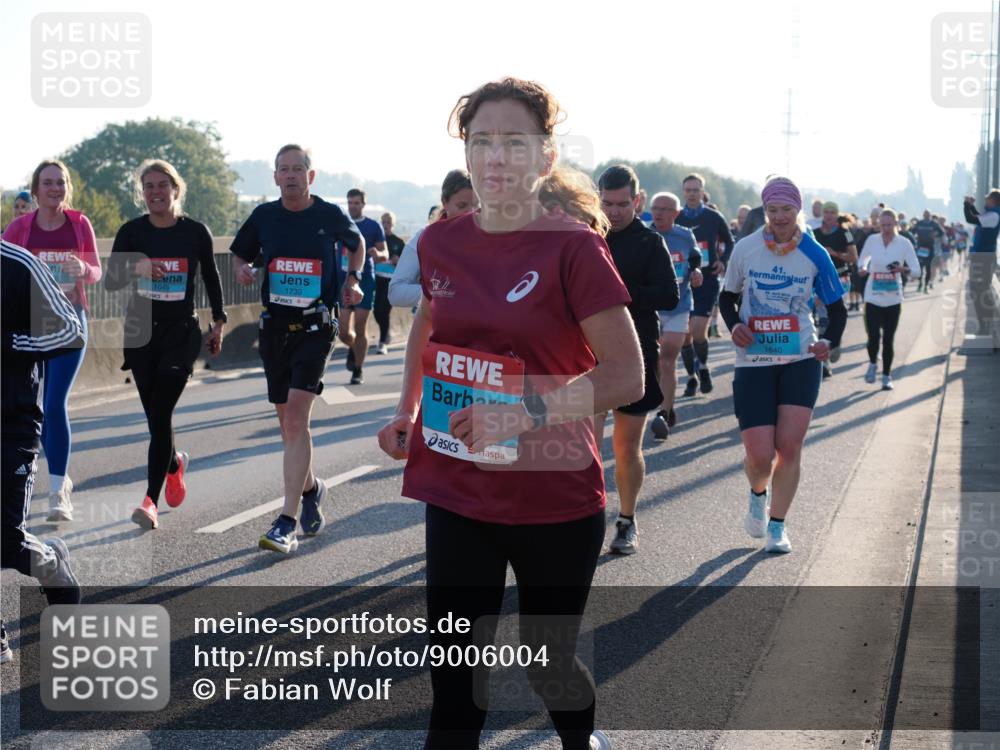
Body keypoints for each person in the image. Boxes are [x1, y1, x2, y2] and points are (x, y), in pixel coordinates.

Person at [376, 77, 637, 750]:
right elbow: (429, 330)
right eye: (481, 141)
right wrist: (407, 408)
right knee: (455, 690)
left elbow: (625, 374)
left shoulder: (574, 247)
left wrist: (520, 414)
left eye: (513, 143)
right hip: (458, 487)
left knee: (549, 667)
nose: (496, 158)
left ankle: (583, 740)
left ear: (544, 157)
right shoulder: (440, 242)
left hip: (554, 492)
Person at [231, 144, 365, 554]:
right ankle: (311, 488)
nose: (290, 175)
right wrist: (242, 268)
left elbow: (356, 243)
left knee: (295, 422)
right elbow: (240, 253)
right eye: (283, 170)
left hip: (315, 326)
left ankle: (286, 520)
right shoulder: (264, 216)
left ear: (311, 175)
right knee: (288, 425)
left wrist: (353, 279)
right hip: (274, 329)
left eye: (298, 169)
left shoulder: (327, 215)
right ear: (274, 177)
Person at [719, 176, 847, 554]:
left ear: (798, 210)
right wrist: (735, 325)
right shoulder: (746, 248)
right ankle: (758, 493)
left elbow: (836, 309)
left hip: (799, 359)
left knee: (789, 446)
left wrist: (828, 342)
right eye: (772, 210)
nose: (779, 217)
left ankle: (777, 525)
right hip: (754, 360)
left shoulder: (814, 252)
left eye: (787, 210)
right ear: (764, 210)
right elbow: (728, 298)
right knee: (760, 454)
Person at [105, 160, 227, 529]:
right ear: (142, 193)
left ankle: (149, 501)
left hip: (180, 333)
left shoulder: (195, 232)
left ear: (176, 189)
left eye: (162, 185)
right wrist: (136, 267)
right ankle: (173, 464)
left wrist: (218, 322)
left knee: (160, 416)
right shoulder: (132, 232)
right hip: (141, 333)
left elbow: (211, 275)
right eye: (148, 187)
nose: (155, 192)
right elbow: (110, 281)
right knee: (155, 418)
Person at [2, 160, 102, 523]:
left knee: (53, 400)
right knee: (32, 404)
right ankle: (23, 482)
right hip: (29, 327)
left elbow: (96, 271)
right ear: (37, 188)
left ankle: (58, 490)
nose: (55, 188)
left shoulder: (79, 224)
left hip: (70, 323)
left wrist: (83, 270)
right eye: (48, 183)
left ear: (67, 187)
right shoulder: (19, 228)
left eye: (60, 182)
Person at [2, 239, 85, 663]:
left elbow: (72, 331)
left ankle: (52, 564)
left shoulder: (18, 264)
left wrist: (11, 342)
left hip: (11, 422)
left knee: (5, 540)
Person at [597, 165, 679, 555]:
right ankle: (582, 520)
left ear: (637, 200)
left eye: (622, 204)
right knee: (583, 447)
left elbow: (669, 295)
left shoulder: (649, 242)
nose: (614, 212)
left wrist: (619, 295)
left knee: (626, 447)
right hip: (587, 355)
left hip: (636, 352)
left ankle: (627, 521)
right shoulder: (586, 236)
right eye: (607, 203)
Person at [648, 192, 702, 442]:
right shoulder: (645, 236)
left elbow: (694, 260)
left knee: (667, 358)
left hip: (679, 306)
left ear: (676, 213)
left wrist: (696, 273)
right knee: (656, 362)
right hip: (651, 309)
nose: (659, 213)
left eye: (665, 209)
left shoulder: (684, 235)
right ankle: (662, 403)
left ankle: (665, 412)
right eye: (655, 208)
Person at [674, 173, 733, 396]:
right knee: (685, 335)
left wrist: (723, 261)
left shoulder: (713, 216)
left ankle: (704, 367)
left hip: (707, 279)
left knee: (699, 331)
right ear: (683, 192)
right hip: (682, 282)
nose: (691, 193)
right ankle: (691, 377)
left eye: (695, 190)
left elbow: (729, 241)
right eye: (688, 190)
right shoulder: (676, 217)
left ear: (702, 192)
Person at [387, 169, 478, 309]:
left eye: (476, 206)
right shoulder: (423, 237)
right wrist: (446, 293)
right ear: (445, 202)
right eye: (462, 206)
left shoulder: (493, 237)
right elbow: (396, 293)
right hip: (437, 326)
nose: (470, 212)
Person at [857, 208, 922, 390]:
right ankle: (872, 364)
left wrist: (903, 270)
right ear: (878, 224)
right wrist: (862, 268)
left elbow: (917, 271)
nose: (885, 229)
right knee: (873, 337)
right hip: (873, 297)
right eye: (882, 225)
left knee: (888, 339)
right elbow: (862, 260)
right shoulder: (872, 240)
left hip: (893, 299)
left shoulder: (904, 243)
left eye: (889, 225)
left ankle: (886, 375)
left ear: (896, 224)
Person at [339, 189, 389, 385]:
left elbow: (384, 253)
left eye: (356, 203)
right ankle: (354, 349)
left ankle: (358, 369)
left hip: (364, 280)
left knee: (360, 327)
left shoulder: (372, 226)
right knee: (343, 331)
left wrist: (378, 254)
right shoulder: (340, 223)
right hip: (342, 281)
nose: (352, 206)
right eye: (350, 202)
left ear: (363, 204)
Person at [813, 201, 857, 377]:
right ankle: (826, 359)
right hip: (821, 280)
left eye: (832, 212)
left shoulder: (844, 233)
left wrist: (835, 254)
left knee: (835, 315)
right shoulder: (814, 234)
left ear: (837, 214)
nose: (829, 215)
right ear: (823, 214)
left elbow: (854, 258)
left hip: (841, 279)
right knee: (823, 317)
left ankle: (834, 342)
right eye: (826, 212)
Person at [963, 191, 1000, 349]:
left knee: (980, 289)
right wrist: (970, 205)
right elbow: (978, 217)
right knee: (976, 290)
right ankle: (985, 324)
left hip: (984, 258)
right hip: (981, 256)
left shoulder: (994, 215)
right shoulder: (991, 214)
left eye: (987, 199)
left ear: (994, 200)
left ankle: (986, 325)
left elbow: (971, 218)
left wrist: (966, 205)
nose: (984, 201)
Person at [375, 211, 406, 354]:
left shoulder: (398, 242)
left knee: (384, 310)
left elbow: (406, 265)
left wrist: (397, 261)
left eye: (388, 223)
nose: (386, 225)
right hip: (376, 279)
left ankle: (382, 343)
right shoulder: (376, 241)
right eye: (383, 222)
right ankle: (386, 331)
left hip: (390, 282)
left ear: (393, 224)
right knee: (376, 311)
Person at [912, 210, 944, 293]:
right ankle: (920, 284)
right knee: (920, 267)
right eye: (925, 214)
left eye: (927, 214)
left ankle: (925, 286)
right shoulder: (919, 223)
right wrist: (914, 236)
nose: (926, 216)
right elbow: (912, 231)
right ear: (923, 215)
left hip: (930, 248)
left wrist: (935, 235)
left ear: (930, 215)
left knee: (928, 268)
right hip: (920, 248)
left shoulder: (934, 224)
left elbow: (941, 232)